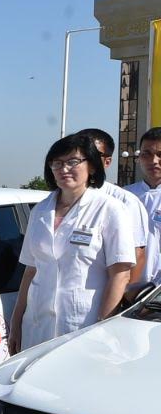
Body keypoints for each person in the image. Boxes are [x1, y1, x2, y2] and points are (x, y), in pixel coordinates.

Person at [9, 133, 134, 353]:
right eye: (57, 163)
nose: (64, 169)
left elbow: (120, 274)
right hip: (37, 325)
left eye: (73, 161)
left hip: (84, 328)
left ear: (92, 166)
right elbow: (31, 270)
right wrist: (16, 321)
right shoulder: (40, 211)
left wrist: (103, 327)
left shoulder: (110, 209)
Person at [77, 128, 149, 282]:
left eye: (93, 155)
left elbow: (137, 256)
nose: (84, 160)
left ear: (107, 161)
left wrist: (122, 294)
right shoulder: (56, 201)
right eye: (79, 154)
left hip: (103, 293)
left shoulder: (125, 201)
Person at [127, 126, 161, 284]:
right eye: (146, 154)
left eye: (160, 155)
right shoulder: (124, 196)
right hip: (127, 288)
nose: (154, 161)